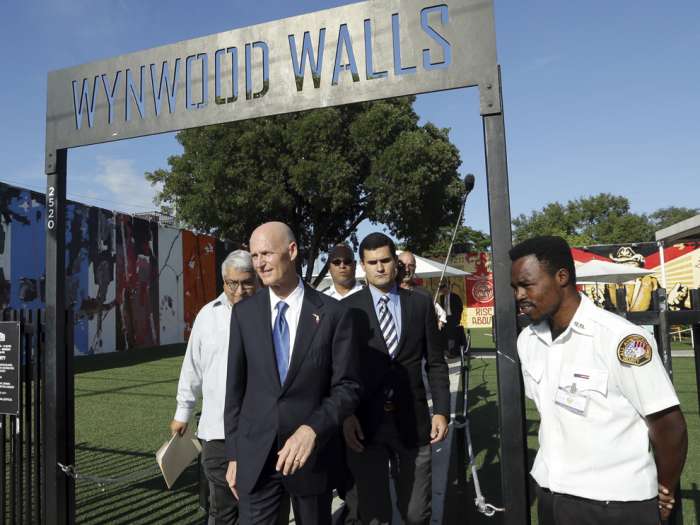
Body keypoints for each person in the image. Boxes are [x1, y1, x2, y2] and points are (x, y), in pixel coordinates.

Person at [510, 236, 688, 525]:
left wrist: (666, 489)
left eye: (527, 285)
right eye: (515, 287)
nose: (519, 295)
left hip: (614, 505)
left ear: (562, 277)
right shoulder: (528, 341)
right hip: (552, 496)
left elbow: (668, 424)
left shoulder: (620, 338)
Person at [224, 221, 361, 525]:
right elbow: (235, 390)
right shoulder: (244, 314)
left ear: (292, 251)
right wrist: (234, 455)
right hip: (255, 459)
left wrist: (312, 429)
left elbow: (347, 387)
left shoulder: (333, 314)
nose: (259, 263)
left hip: (311, 458)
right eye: (255, 255)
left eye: (267, 254)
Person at [342, 233, 450, 525]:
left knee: (416, 514)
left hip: (414, 424)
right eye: (372, 262)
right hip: (366, 428)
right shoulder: (346, 310)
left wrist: (441, 410)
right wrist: (347, 416)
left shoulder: (420, 304)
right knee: (375, 515)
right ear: (363, 266)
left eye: (385, 260)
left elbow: (436, 363)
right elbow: (339, 371)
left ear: (395, 262)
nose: (380, 268)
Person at [170, 250, 258, 525]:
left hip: (259, 430)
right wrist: (183, 411)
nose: (240, 290)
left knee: (257, 506)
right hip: (217, 431)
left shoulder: (268, 314)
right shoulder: (207, 316)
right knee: (222, 508)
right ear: (223, 283)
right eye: (233, 283)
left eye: (246, 282)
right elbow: (192, 366)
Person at [397, 251, 447, 330]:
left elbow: (439, 316)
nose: (406, 269)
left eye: (410, 265)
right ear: (396, 267)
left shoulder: (424, 295)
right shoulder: (387, 292)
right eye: (402, 265)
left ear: (415, 268)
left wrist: (439, 324)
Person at [437, 281, 464, 355]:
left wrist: (457, 319)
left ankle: (452, 351)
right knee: (444, 334)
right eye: (441, 290)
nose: (443, 291)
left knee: (452, 335)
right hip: (445, 318)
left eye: (444, 289)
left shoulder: (455, 296)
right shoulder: (441, 297)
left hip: (453, 318)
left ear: (447, 288)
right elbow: (442, 309)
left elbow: (460, 308)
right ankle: (446, 350)